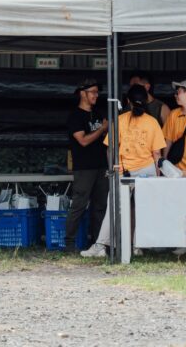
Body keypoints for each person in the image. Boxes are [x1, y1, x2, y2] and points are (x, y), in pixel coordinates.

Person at [81, 84, 165, 258]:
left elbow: (110, 150)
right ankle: (137, 246)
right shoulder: (152, 122)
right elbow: (157, 154)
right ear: (146, 100)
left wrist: (112, 169)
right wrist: (158, 177)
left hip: (122, 169)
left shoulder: (119, 120)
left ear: (127, 101)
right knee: (143, 209)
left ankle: (100, 246)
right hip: (147, 170)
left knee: (113, 208)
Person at [64, 78, 108, 252]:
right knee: (79, 205)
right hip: (84, 168)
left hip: (101, 166)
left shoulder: (98, 113)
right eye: (93, 92)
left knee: (100, 206)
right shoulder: (75, 116)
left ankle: (98, 243)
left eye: (97, 92)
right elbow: (82, 140)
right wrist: (102, 129)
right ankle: (69, 243)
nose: (96, 95)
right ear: (83, 93)